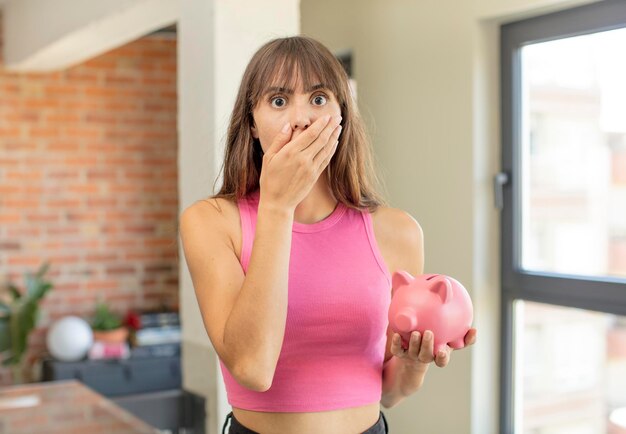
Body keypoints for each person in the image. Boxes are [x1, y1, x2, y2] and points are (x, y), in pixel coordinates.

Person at [180, 35, 477, 434]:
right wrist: (277, 207)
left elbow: (388, 392)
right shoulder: (211, 221)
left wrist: (413, 360)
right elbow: (252, 368)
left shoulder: (397, 232)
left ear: (342, 116)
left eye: (318, 99)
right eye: (279, 100)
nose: (301, 119)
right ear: (251, 123)